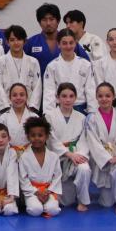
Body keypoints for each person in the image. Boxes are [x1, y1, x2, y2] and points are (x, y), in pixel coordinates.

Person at [83, 82, 116, 215]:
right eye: (100, 96)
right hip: (102, 161)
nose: (104, 99)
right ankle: (111, 194)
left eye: (107, 96)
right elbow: (93, 143)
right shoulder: (91, 118)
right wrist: (108, 159)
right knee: (106, 203)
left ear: (113, 96)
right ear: (96, 97)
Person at [43, 83, 91, 211]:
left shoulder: (82, 117)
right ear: (57, 98)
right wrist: (68, 154)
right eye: (64, 96)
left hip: (76, 154)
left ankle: (83, 201)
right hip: (57, 157)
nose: (67, 100)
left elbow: (84, 140)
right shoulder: (49, 116)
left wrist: (78, 155)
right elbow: (51, 140)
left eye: (71, 96)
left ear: (76, 98)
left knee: (84, 168)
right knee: (64, 202)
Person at [25, 3, 90, 76]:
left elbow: (86, 64)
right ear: (39, 23)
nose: (48, 23)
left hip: (67, 82)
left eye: (51, 19)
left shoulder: (69, 42)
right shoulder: (31, 43)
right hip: (39, 83)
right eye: (44, 20)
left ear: (58, 21)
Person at [42, 29, 96, 112]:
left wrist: (92, 112)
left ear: (75, 43)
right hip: (59, 109)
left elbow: (90, 90)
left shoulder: (85, 65)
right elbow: (49, 92)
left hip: (80, 108)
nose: (68, 46)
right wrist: (48, 113)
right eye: (64, 43)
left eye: (71, 43)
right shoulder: (52, 66)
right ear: (58, 44)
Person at [19, 117, 63, 217]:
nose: (37, 138)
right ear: (28, 137)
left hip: (49, 191)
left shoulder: (54, 156)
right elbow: (23, 179)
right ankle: (39, 205)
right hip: (32, 192)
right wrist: (37, 192)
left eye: (40, 135)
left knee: (53, 210)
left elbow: (57, 177)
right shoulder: (24, 157)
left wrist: (48, 191)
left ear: (46, 136)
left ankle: (47, 205)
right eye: (33, 135)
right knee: (35, 210)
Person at [0, 26, 43, 111]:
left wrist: (32, 107)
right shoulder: (0, 62)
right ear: (7, 42)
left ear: (24, 41)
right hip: (7, 108)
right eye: (12, 40)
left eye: (19, 39)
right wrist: (5, 107)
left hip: (28, 108)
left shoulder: (33, 62)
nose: (16, 43)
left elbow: (37, 87)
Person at [0, 83, 36, 153]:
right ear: (10, 98)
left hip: (30, 153)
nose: (18, 98)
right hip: (9, 154)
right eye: (14, 95)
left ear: (27, 97)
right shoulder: (3, 118)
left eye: (22, 95)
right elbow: (0, 139)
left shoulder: (34, 117)